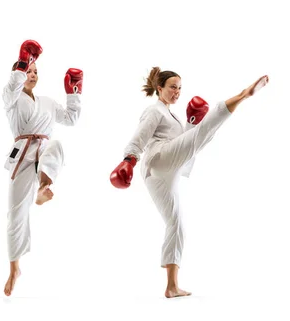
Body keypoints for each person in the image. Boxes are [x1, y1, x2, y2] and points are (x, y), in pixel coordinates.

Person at [110, 67, 269, 298]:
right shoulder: (154, 111)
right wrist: (128, 160)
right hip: (159, 159)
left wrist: (191, 123)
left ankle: (172, 286)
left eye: (180, 87)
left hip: (164, 172)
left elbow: (183, 143)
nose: (177, 91)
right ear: (160, 88)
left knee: (176, 223)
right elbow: (141, 136)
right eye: (173, 87)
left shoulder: (169, 113)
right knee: (202, 133)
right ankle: (244, 94)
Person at [2, 40, 83, 296]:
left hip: (45, 151)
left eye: (36, 72)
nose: (32, 75)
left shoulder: (47, 102)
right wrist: (22, 62)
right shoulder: (11, 98)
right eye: (28, 71)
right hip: (23, 155)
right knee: (15, 214)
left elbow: (71, 119)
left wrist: (73, 92)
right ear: (19, 71)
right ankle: (14, 268)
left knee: (56, 144)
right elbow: (11, 86)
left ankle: (44, 185)